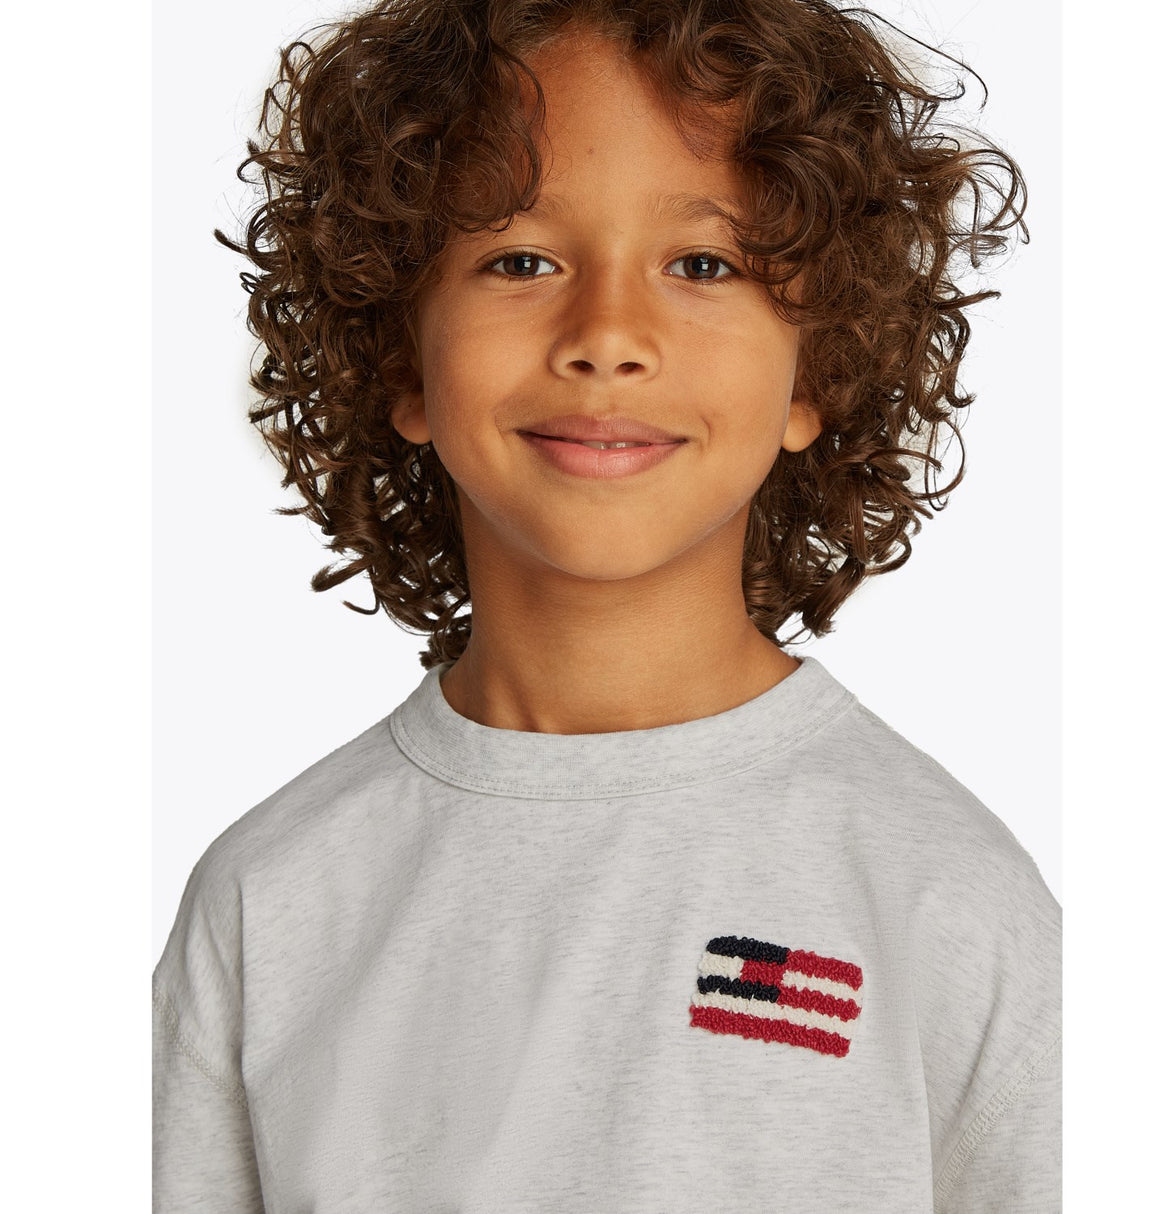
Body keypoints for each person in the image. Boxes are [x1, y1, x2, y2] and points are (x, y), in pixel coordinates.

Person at [152, 0, 1060, 1209]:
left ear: (818, 368)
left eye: (703, 264)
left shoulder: (950, 900)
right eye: (520, 260)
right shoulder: (268, 901)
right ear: (397, 355)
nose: (608, 337)